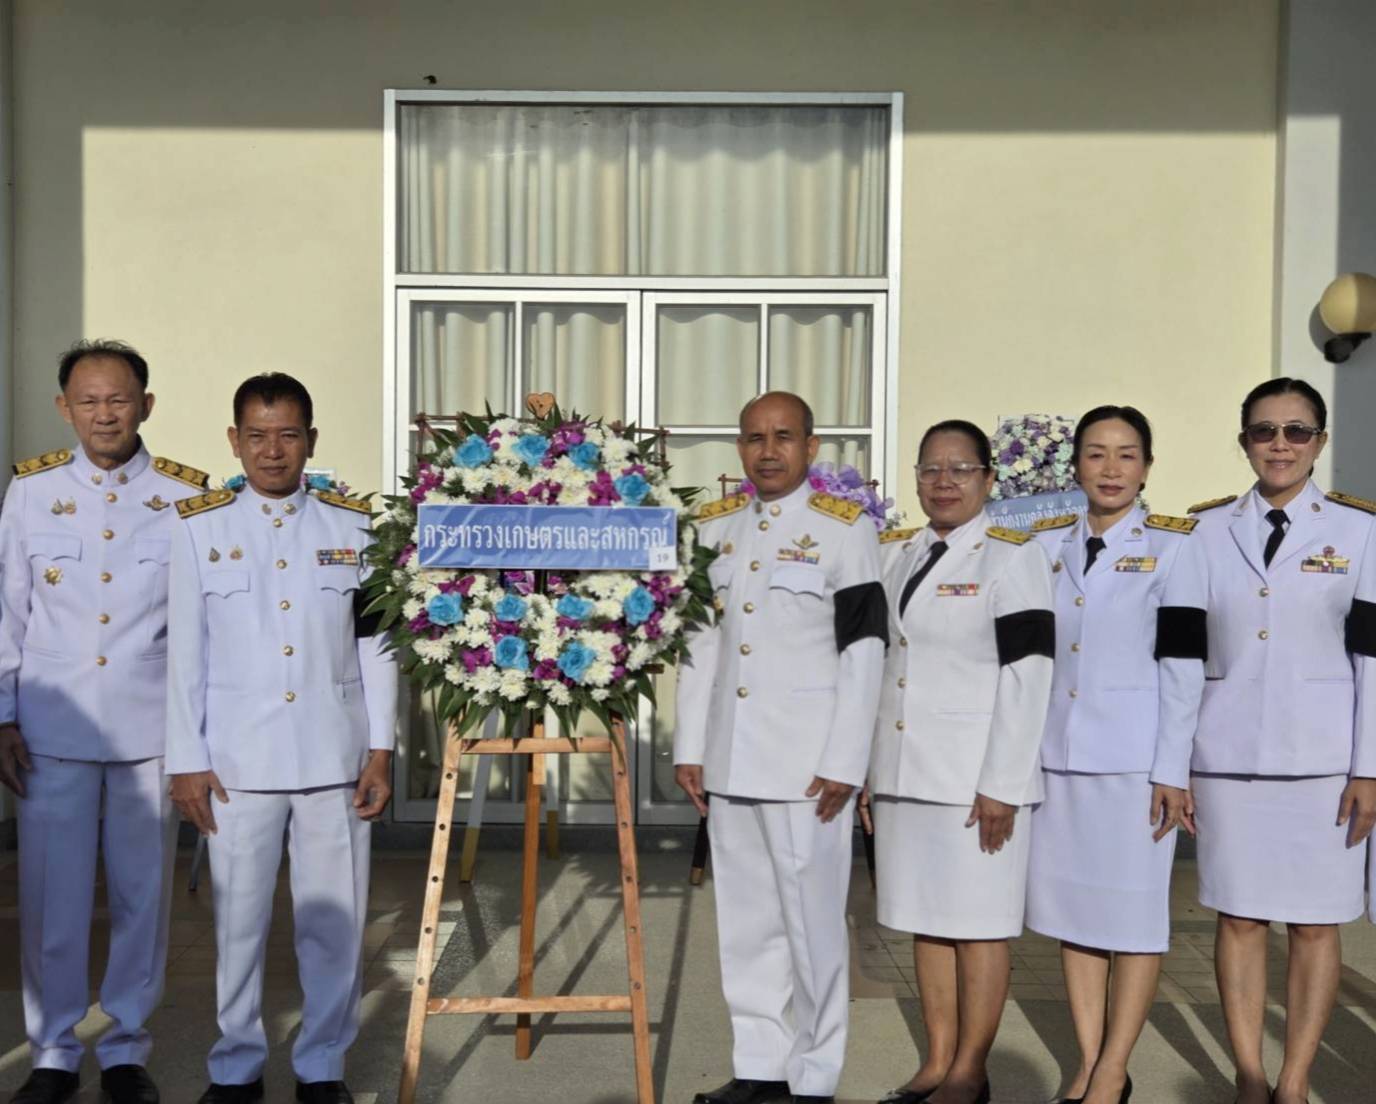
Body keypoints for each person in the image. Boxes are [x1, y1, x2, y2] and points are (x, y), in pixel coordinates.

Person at [164, 373, 397, 1104]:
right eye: (258, 436)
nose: (273, 451)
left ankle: (322, 1064)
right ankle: (236, 1066)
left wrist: (382, 750)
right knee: (237, 923)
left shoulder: (354, 527)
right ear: (234, 441)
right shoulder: (198, 527)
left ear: (311, 441)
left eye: (288, 435)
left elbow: (377, 646)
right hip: (237, 763)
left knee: (334, 924)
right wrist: (186, 760)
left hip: (335, 757)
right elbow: (185, 655)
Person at [0, 339, 211, 1104]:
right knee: (51, 900)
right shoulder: (31, 491)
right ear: (65, 408)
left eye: (118, 399)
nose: (104, 414)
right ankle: (54, 1053)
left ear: (146, 405)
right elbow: (9, 610)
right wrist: (2, 715)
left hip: (146, 733)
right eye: (88, 401)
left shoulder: (187, 495)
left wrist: (194, 737)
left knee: (141, 897)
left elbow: (197, 626)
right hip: (50, 731)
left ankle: (125, 1048)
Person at [674, 391, 887, 1104]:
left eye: (784, 437)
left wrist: (845, 760)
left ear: (811, 446)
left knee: (813, 925)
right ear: (739, 447)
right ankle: (761, 1065)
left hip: (808, 767)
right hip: (732, 758)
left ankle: (815, 1075)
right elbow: (701, 645)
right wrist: (691, 745)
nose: (768, 452)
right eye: (755, 438)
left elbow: (864, 651)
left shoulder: (844, 529)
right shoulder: (714, 530)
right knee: (746, 924)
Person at [1188, 377, 1376, 1104]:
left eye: (1297, 431)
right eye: (1264, 431)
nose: (1280, 444)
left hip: (1325, 765)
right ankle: (1249, 1074)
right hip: (1227, 757)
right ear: (1244, 441)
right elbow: (1182, 654)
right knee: (1239, 919)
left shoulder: (1360, 531)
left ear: (1319, 442)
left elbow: (1372, 659)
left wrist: (1369, 767)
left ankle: (1294, 1081)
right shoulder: (1204, 531)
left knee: (1315, 926)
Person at [863, 419, 1053, 1104]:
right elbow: (880, 666)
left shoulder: (1012, 557)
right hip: (904, 772)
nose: (943, 482)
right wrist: (867, 771)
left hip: (975, 780)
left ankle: (972, 1069)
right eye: (931, 469)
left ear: (988, 479)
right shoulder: (894, 553)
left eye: (960, 469)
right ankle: (938, 1059)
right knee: (928, 922)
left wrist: (1002, 783)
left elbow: (1028, 675)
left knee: (979, 928)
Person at [1025, 406, 1207, 1104]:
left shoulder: (1175, 547)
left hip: (1134, 764)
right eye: (1096, 454)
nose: (1110, 469)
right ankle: (1089, 1059)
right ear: (1075, 465)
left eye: (1126, 455)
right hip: (1058, 758)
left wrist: (1171, 769)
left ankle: (1113, 1067)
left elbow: (1183, 665)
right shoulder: (1044, 543)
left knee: (1133, 920)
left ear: (1147, 467)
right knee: (1073, 916)